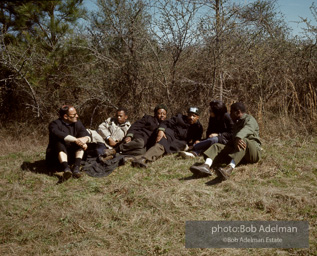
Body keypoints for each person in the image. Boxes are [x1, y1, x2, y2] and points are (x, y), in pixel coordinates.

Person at [189, 102, 262, 181]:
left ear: (238, 112)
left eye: (231, 112)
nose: (229, 114)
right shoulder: (236, 124)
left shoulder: (250, 119)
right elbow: (231, 140)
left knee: (242, 140)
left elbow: (247, 129)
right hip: (239, 154)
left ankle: (229, 169)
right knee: (217, 146)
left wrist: (238, 137)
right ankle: (206, 166)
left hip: (253, 153)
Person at [131, 107, 203, 168]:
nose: (191, 117)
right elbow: (165, 123)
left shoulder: (198, 127)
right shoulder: (179, 117)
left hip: (180, 142)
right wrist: (161, 130)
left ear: (198, 117)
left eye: (193, 116)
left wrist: (196, 142)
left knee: (165, 151)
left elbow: (197, 139)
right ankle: (144, 159)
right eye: (189, 115)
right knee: (161, 146)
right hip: (169, 134)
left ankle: (132, 158)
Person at [102, 104, 168, 158]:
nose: (162, 115)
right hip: (140, 137)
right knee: (140, 143)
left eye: (164, 114)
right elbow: (135, 126)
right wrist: (130, 136)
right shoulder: (148, 118)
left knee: (141, 153)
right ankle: (115, 150)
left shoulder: (166, 125)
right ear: (155, 114)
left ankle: (115, 155)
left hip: (146, 145)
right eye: (159, 113)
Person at [45, 105, 91, 180]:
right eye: (74, 115)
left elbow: (86, 134)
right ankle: (66, 169)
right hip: (55, 157)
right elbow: (59, 134)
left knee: (80, 145)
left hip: (71, 155)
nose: (77, 116)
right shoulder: (54, 124)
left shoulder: (77, 123)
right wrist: (76, 140)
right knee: (59, 143)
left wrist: (84, 140)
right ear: (66, 116)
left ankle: (76, 168)